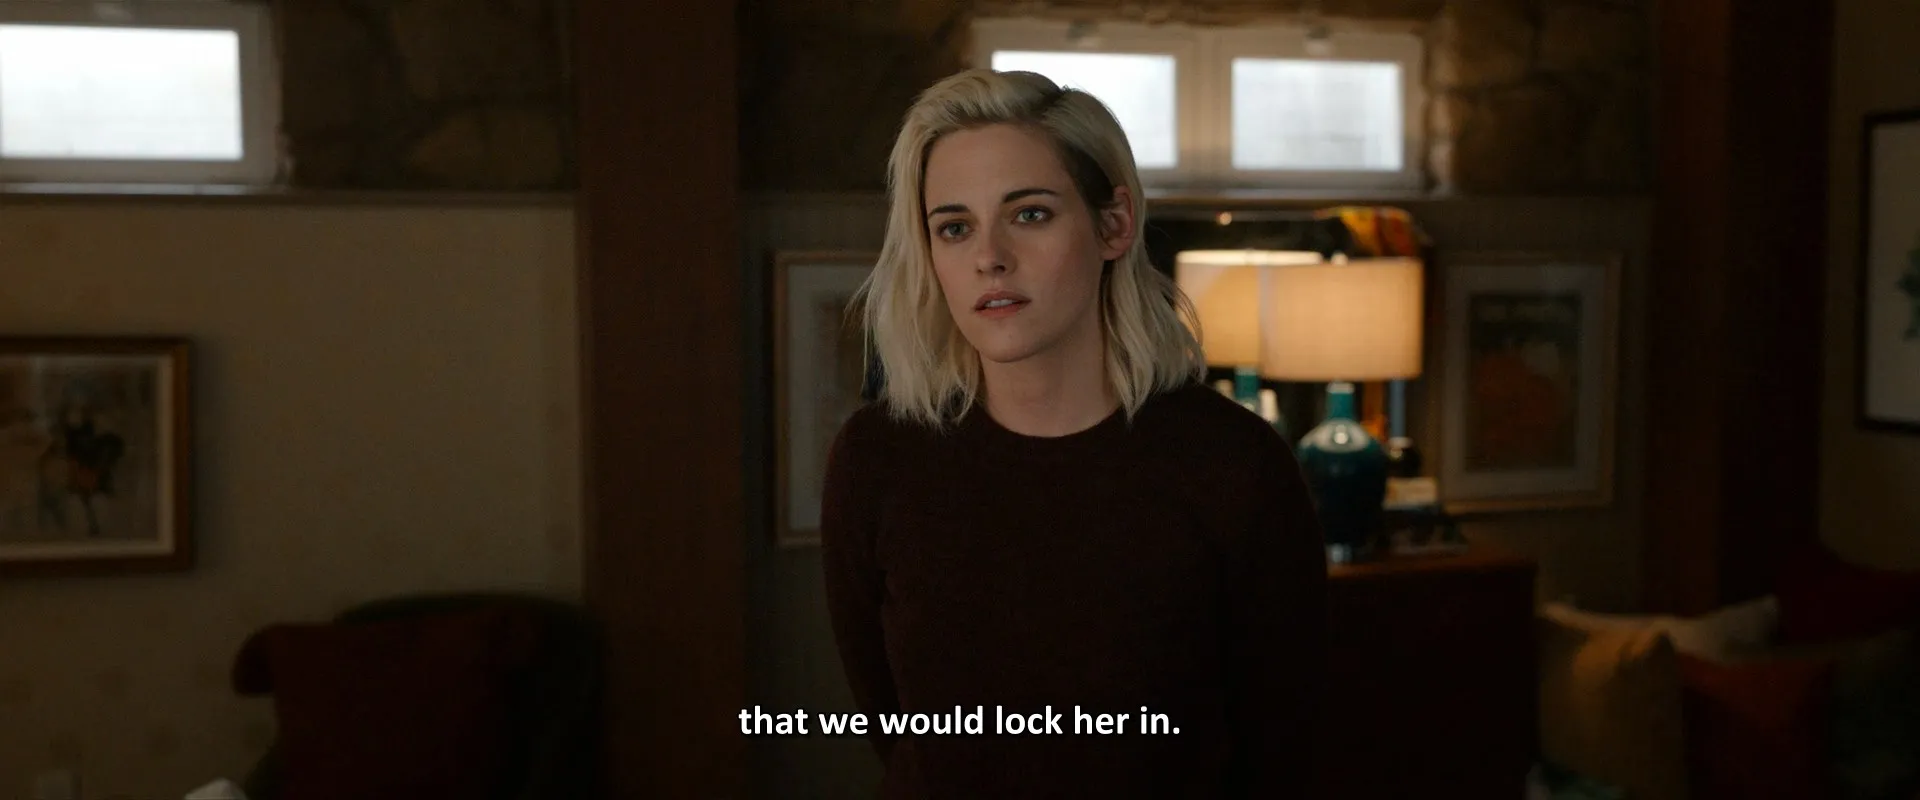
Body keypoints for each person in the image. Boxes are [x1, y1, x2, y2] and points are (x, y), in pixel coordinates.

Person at [820, 68, 1328, 798]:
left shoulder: (1233, 465)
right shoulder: (880, 458)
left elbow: (1281, 747)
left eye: (1029, 214)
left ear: (1114, 225)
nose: (989, 257)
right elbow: (892, 724)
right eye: (954, 227)